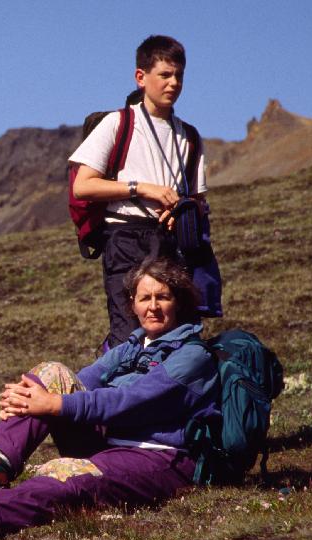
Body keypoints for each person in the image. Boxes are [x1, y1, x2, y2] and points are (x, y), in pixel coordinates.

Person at [0, 257, 220, 540]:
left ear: (180, 302)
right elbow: (79, 382)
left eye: (162, 296)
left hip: (159, 458)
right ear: (133, 305)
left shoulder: (192, 356)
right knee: (50, 372)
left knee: (65, 474)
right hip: (112, 443)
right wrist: (29, 398)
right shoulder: (133, 348)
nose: (153, 306)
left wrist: (52, 406)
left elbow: (128, 401)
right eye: (145, 298)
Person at [69, 35, 211, 349]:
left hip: (171, 244)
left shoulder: (189, 136)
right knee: (128, 339)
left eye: (179, 76)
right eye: (165, 75)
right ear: (141, 77)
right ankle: (117, 396)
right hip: (125, 239)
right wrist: (140, 189)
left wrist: (184, 211)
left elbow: (200, 202)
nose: (173, 83)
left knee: (177, 337)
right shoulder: (117, 124)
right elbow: (83, 185)